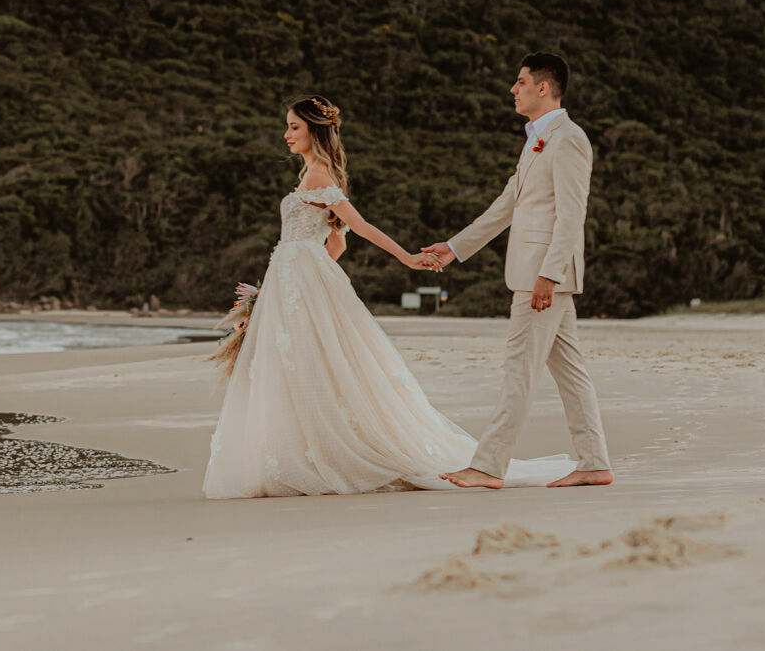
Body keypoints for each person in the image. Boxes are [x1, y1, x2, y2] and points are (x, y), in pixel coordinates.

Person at [203, 95, 574, 497]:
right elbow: (337, 246)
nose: (286, 134)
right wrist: (302, 280)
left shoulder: (320, 175)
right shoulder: (313, 174)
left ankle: (318, 455)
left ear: (314, 129)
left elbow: (358, 227)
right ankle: (307, 451)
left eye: (294, 126)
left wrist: (406, 258)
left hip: (299, 278)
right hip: (296, 280)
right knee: (303, 367)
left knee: (306, 367)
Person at [422, 52, 615, 489]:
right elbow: (505, 206)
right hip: (539, 275)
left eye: (520, 81)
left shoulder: (569, 139)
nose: (514, 89)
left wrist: (550, 274)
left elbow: (571, 215)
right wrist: (453, 248)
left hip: (541, 279)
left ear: (542, 88)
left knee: (517, 370)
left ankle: (488, 466)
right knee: (571, 373)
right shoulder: (535, 140)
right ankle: (594, 462)